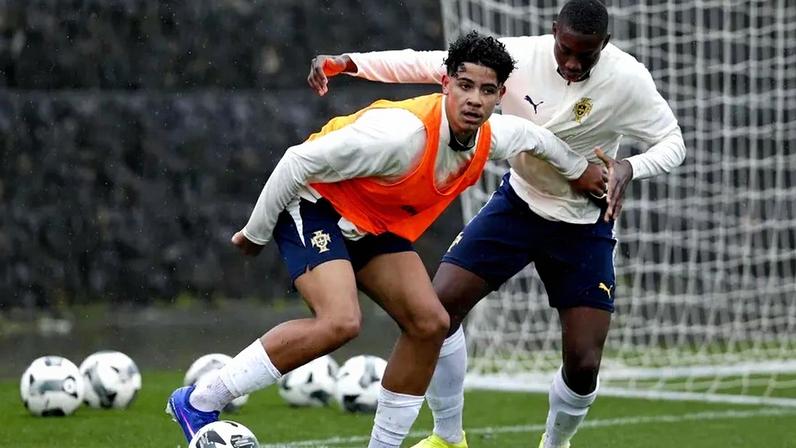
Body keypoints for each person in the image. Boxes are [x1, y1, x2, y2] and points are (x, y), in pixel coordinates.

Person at [166, 31, 606, 448]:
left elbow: (539, 140)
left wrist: (581, 171)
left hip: (372, 225)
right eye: (465, 85)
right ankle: (200, 401)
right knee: (340, 322)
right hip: (317, 206)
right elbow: (297, 161)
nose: (474, 100)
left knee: (430, 322)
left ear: (499, 95)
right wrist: (255, 232)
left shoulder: (494, 136)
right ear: (445, 82)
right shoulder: (401, 135)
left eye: (487, 91)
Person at [307, 1, 687, 447]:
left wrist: (630, 167)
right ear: (553, 33)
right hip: (518, 206)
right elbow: (431, 63)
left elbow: (673, 142)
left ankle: (555, 443)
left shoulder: (628, 80)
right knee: (437, 311)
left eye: (586, 55)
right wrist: (350, 63)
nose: (572, 62)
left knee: (584, 363)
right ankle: (448, 438)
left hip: (583, 225)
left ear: (604, 45)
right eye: (565, 49)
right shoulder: (521, 58)